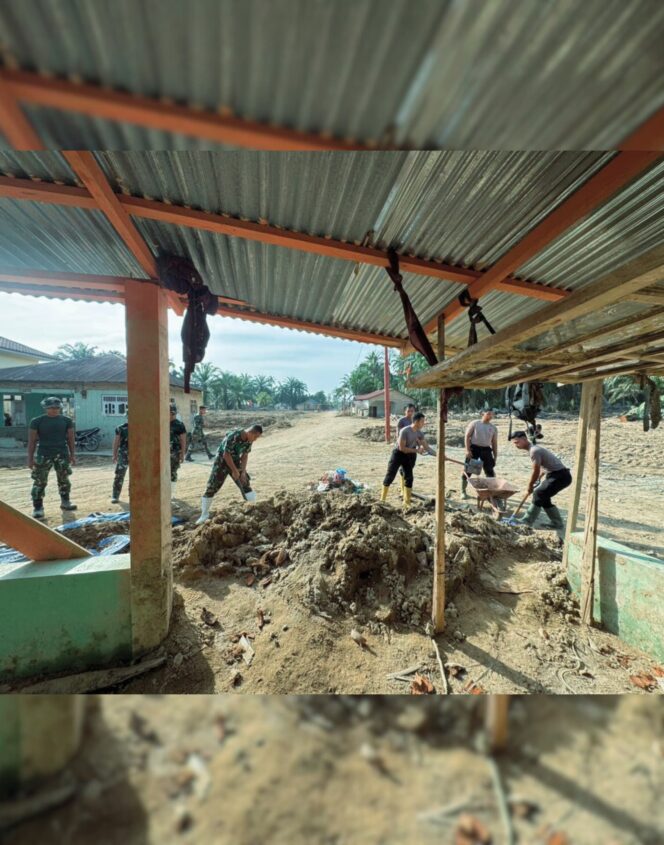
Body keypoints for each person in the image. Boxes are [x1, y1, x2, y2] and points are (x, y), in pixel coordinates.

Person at [509, 430, 572, 538]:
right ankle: (557, 523)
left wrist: (530, 485)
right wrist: (539, 478)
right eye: (514, 443)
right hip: (556, 475)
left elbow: (536, 470)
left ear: (524, 439)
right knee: (543, 497)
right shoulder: (534, 449)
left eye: (517, 442)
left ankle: (527, 521)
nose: (516, 445)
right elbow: (543, 467)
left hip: (560, 476)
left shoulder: (534, 451)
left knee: (539, 494)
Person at [196, 424, 263, 524]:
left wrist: (243, 472)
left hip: (235, 461)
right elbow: (226, 454)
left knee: (245, 483)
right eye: (256, 437)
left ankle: (253, 510)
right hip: (221, 462)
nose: (256, 439)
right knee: (211, 487)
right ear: (250, 432)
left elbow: (244, 455)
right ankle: (204, 515)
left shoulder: (249, 440)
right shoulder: (234, 436)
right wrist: (234, 471)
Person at [27, 396, 77, 518]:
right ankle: (38, 507)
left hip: (62, 454)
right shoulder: (36, 421)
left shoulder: (66, 420)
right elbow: (32, 441)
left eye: (56, 407)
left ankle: (65, 502)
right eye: (51, 407)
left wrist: (72, 455)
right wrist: (30, 458)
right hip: (44, 454)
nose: (54, 410)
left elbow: (71, 439)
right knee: (40, 481)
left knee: (64, 479)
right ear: (45, 408)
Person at [381, 412, 434, 507]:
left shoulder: (419, 433)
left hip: (408, 456)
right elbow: (402, 448)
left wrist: (439, 455)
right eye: (422, 421)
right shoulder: (405, 431)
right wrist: (417, 450)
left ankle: (406, 503)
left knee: (409, 478)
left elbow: (427, 447)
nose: (424, 423)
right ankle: (382, 500)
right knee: (390, 476)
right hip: (398, 454)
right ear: (417, 421)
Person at [462, 409, 498, 499]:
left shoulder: (493, 428)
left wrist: (495, 456)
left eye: (491, 415)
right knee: (468, 470)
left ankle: (490, 493)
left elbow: (494, 443)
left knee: (490, 472)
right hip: (474, 448)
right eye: (488, 414)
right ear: (483, 414)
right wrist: (467, 450)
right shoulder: (475, 423)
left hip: (486, 450)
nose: (490, 416)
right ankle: (463, 491)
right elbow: (467, 436)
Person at [396, 403, 417, 495]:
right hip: (404, 448)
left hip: (413, 449)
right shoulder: (401, 421)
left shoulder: (415, 421)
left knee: (410, 468)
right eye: (408, 411)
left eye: (412, 411)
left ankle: (406, 488)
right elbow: (398, 435)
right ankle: (402, 489)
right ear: (405, 411)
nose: (410, 413)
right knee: (403, 469)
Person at [169, 403, 187, 499]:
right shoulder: (161, 422)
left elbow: (183, 440)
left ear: (172, 413)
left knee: (172, 472)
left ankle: (171, 494)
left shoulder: (179, 425)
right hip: (161, 453)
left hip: (174, 453)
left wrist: (182, 454)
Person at [111, 409, 129, 503]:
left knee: (137, 476)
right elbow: (116, 442)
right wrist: (114, 455)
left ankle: (134, 495)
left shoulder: (140, 426)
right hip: (124, 453)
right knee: (119, 474)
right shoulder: (121, 428)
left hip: (137, 454)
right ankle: (115, 495)